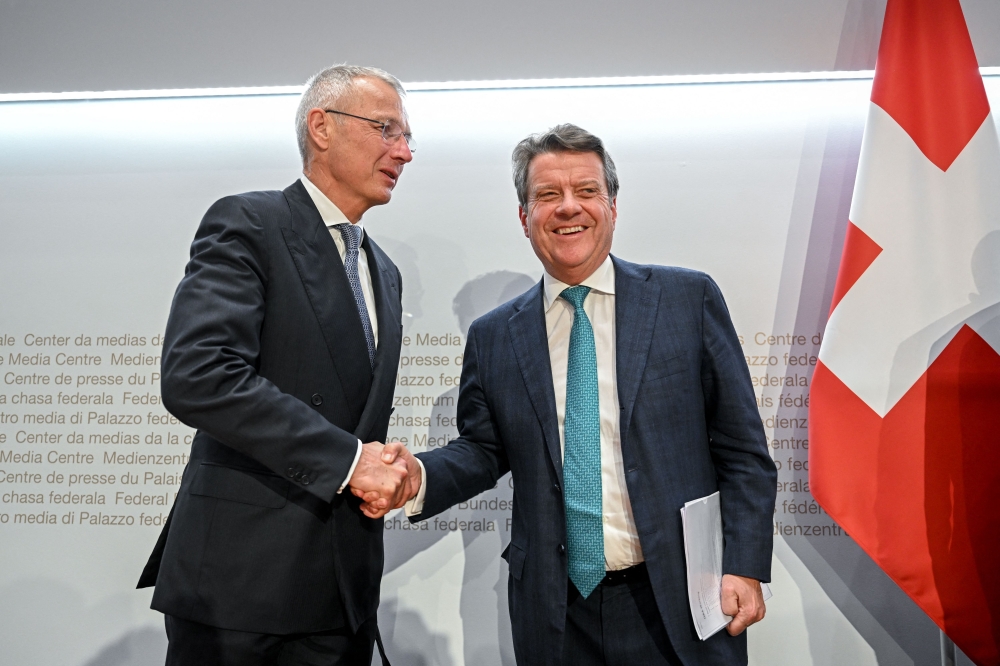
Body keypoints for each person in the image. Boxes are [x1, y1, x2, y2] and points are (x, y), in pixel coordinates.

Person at [365, 124, 778, 665]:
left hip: (681, 597)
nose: (568, 208)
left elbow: (743, 451)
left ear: (612, 205)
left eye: (586, 192)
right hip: (556, 613)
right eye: (547, 195)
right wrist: (416, 477)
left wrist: (744, 562)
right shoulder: (494, 336)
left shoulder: (686, 300)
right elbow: (483, 450)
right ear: (524, 216)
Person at [137, 64, 416, 666]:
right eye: (387, 129)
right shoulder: (249, 223)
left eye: (408, 137)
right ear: (322, 126)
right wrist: (349, 461)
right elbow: (199, 374)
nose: (405, 152)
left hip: (342, 595)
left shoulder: (383, 271)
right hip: (240, 590)